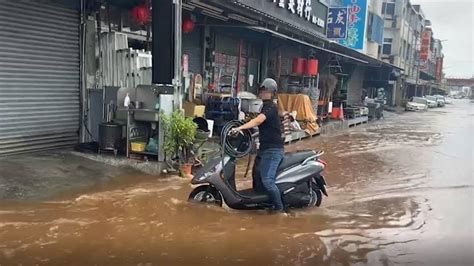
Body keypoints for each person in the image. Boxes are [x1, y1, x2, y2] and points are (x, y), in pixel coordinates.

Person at [232, 78, 285, 212]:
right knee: (256, 176)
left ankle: (280, 210)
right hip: (264, 149)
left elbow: (258, 121)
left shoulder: (271, 107)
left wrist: (240, 128)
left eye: (265, 90)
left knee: (267, 180)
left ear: (272, 93)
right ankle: (263, 203)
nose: (262, 93)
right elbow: (263, 126)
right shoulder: (265, 106)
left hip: (273, 151)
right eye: (261, 90)